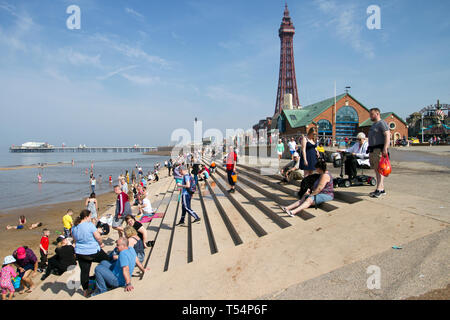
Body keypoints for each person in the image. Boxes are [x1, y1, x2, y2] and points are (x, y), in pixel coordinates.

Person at [71, 209, 108, 297]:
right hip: (93, 250)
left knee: (84, 272)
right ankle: (108, 279)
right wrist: (101, 243)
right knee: (107, 260)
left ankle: (85, 291)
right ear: (86, 217)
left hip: (80, 252)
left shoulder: (74, 227)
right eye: (90, 216)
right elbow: (98, 237)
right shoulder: (89, 225)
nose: (91, 218)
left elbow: (75, 240)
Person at [367, 108, 390, 198]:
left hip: (379, 149)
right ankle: (381, 188)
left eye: (372, 114)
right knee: (376, 169)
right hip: (373, 149)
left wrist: (385, 148)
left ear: (377, 113)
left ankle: (379, 189)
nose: (370, 116)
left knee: (381, 169)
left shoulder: (382, 123)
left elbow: (387, 135)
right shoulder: (373, 125)